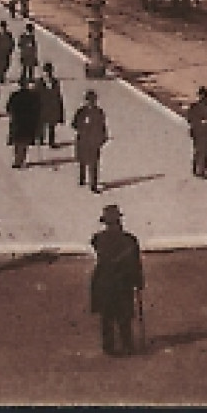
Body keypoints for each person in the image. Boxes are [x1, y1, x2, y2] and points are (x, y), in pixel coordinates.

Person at [89, 204, 144, 356]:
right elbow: (136, 264)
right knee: (123, 316)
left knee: (106, 317)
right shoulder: (130, 240)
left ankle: (109, 347)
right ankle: (127, 345)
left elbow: (98, 250)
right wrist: (139, 282)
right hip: (122, 282)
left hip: (103, 281)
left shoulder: (98, 238)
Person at [72, 89, 109, 192]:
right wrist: (82, 127)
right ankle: (82, 178)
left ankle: (93, 184)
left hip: (94, 141)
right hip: (83, 140)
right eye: (88, 100)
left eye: (92, 101)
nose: (90, 103)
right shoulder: (81, 112)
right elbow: (74, 124)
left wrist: (103, 138)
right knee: (82, 160)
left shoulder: (99, 112)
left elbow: (103, 126)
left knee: (94, 163)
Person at [6, 76, 41, 169]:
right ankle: (20, 159)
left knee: (17, 141)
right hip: (28, 121)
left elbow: (9, 108)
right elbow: (37, 109)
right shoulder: (33, 96)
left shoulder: (15, 95)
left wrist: (12, 114)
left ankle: (17, 159)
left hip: (17, 121)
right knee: (24, 142)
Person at [186, 86, 207, 178]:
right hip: (203, 132)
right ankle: (200, 170)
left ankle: (198, 169)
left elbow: (189, 118)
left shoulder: (195, 107)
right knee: (203, 151)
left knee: (200, 150)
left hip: (200, 131)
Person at [36, 62, 66, 147]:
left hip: (52, 106)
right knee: (41, 124)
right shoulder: (39, 83)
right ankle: (40, 139)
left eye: (49, 72)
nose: (48, 74)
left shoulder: (55, 82)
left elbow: (58, 95)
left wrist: (60, 108)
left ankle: (51, 141)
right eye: (46, 72)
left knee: (52, 125)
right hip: (42, 106)